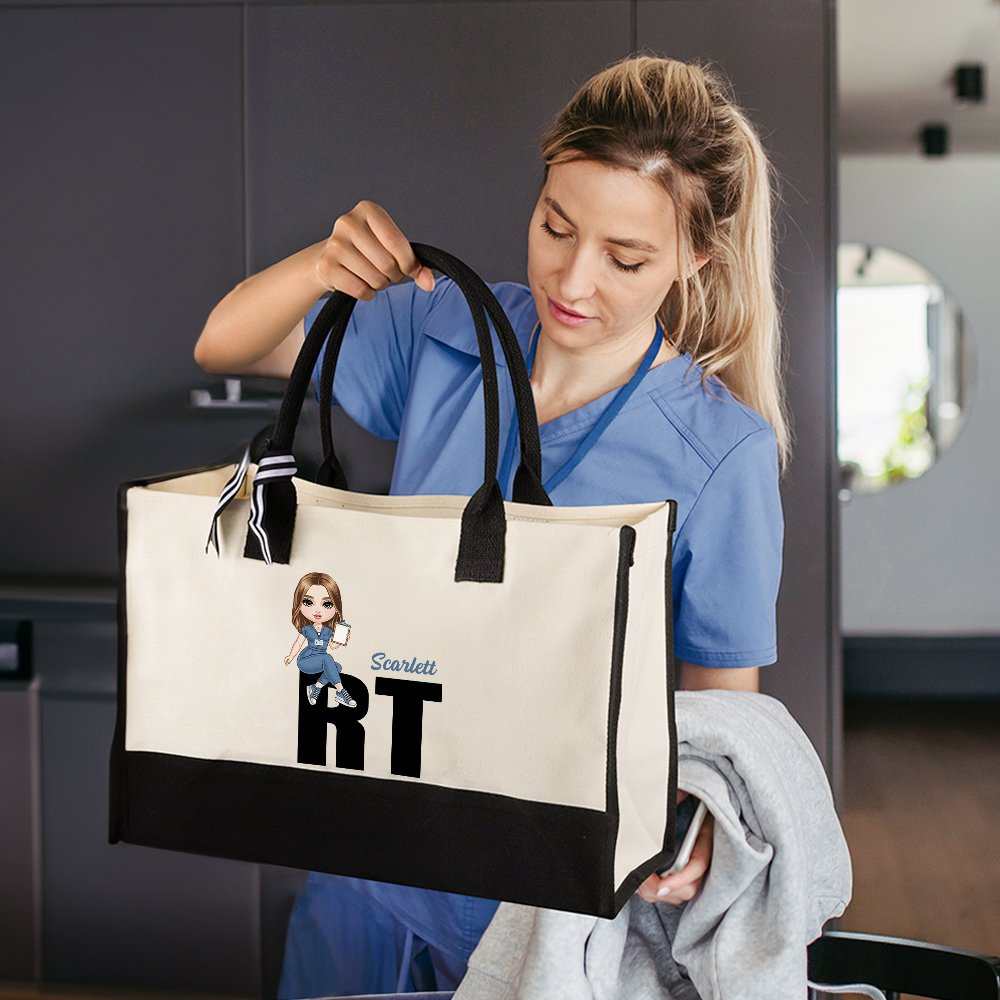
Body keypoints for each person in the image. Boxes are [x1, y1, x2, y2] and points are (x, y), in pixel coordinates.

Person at [195, 54, 787, 997]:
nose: (573, 279)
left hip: (531, 906)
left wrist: (711, 814)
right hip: (364, 854)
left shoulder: (722, 454)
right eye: (556, 226)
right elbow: (225, 343)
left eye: (626, 258)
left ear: (694, 259)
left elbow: (724, 715)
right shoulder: (444, 329)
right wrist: (321, 266)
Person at [284, 571, 357, 708]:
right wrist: (291, 656)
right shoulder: (307, 629)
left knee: (337, 667)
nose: (317, 610)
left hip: (321, 661)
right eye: (308, 602)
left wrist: (342, 639)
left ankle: (315, 687)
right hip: (306, 660)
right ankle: (341, 691)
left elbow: (332, 646)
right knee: (328, 659)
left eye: (327, 604)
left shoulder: (328, 631)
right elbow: (298, 643)